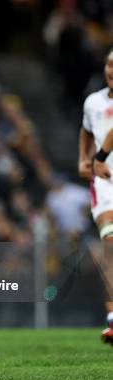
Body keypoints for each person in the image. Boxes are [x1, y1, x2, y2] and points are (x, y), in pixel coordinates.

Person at [79, 49, 113, 345]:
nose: (112, 70)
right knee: (110, 244)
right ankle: (112, 319)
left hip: (103, 166)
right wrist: (84, 160)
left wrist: (99, 156)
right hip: (104, 183)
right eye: (109, 65)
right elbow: (86, 131)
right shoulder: (94, 102)